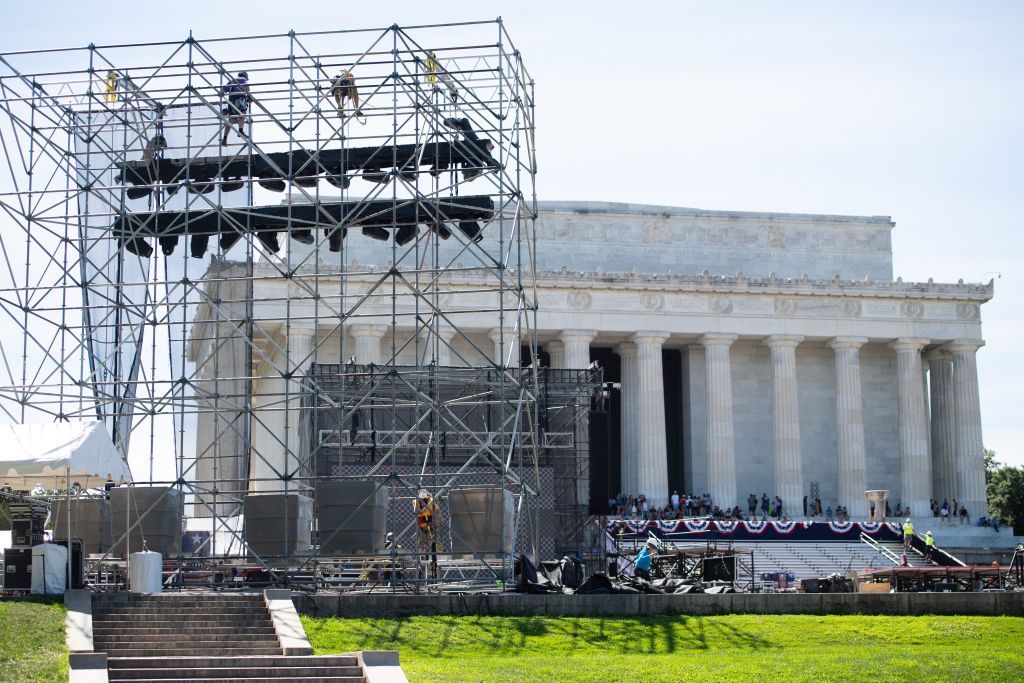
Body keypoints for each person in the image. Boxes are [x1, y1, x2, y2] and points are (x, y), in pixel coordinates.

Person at [413, 489, 440, 578]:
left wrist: (436, 521)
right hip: (422, 527)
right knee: (421, 545)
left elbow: (437, 512)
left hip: (431, 526)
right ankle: (422, 562)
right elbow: (416, 511)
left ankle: (433, 564)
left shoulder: (431, 501)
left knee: (434, 545)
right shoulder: (416, 502)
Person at [221, 71, 251, 145]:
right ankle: (240, 131)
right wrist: (249, 96)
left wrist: (222, 93)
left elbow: (223, 90)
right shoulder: (243, 79)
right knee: (242, 114)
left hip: (231, 101)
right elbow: (247, 88)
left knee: (230, 121)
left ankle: (224, 138)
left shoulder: (232, 80)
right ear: (245, 76)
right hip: (239, 99)